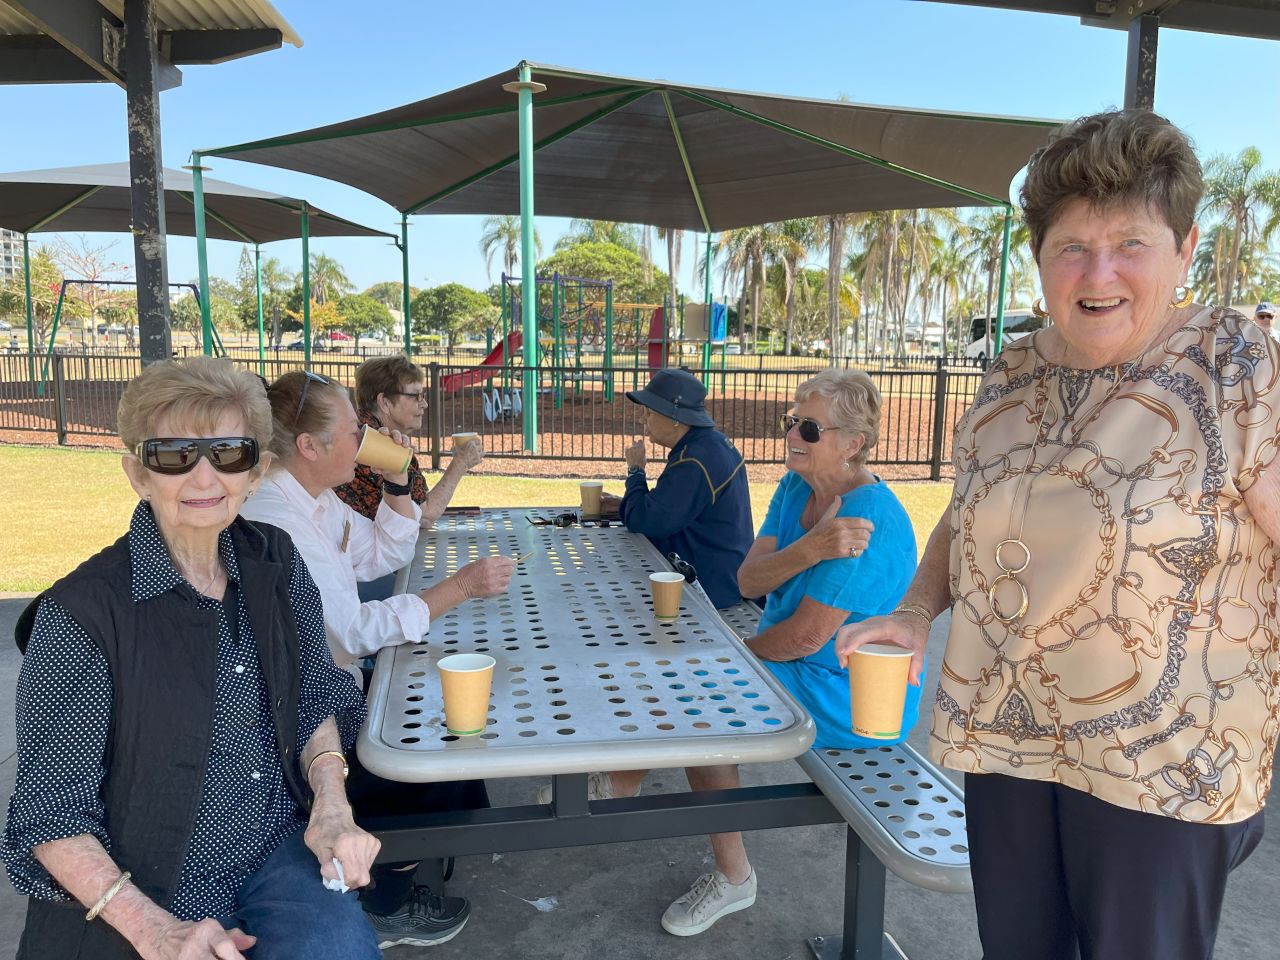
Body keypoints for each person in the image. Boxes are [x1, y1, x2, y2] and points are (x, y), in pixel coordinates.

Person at [837, 110, 1280, 960]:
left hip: (1164, 766)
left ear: (1185, 250)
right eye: (1071, 245)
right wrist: (914, 611)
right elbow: (969, 517)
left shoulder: (1232, 361)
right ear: (1040, 259)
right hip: (1008, 742)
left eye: (1130, 243)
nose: (1098, 271)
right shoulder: (1011, 373)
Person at [2, 357, 379, 960]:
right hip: (143, 874)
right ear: (137, 473)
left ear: (254, 471)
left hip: (276, 848)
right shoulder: (82, 613)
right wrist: (154, 929)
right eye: (174, 454)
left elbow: (314, 694)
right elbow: (52, 811)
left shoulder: (273, 558)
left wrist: (331, 806)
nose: (205, 477)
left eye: (228, 452)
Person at [240, 370, 513, 950]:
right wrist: (460, 588)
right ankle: (386, 899)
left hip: (334, 687)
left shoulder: (312, 498)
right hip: (308, 716)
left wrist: (396, 482)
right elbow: (357, 630)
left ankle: (414, 860)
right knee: (435, 753)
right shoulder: (276, 519)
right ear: (310, 447)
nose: (364, 439)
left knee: (460, 739)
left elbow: (383, 552)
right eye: (353, 431)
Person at [601, 368, 753, 609]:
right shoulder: (711, 445)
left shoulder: (693, 462)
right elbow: (682, 510)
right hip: (726, 575)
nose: (643, 420)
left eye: (649, 412)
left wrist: (636, 471)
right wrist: (624, 504)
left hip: (707, 589)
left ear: (674, 419)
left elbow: (643, 520)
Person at [335, 355, 483, 528]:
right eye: (415, 396)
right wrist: (461, 463)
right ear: (385, 402)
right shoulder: (373, 441)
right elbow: (424, 515)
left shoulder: (365, 432)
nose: (425, 404)